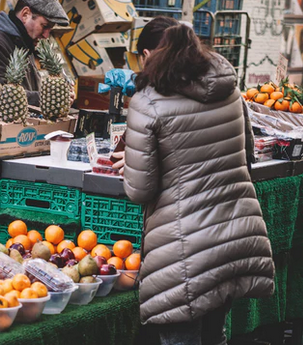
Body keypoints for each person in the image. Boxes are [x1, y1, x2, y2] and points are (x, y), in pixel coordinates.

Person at [113, 17, 275, 345]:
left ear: (149, 56)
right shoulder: (230, 91)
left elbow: (139, 189)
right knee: (216, 336)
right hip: (234, 236)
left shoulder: (148, 101)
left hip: (185, 247)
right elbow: (247, 155)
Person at [0, 0, 73, 108]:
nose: (46, 35)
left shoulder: (25, 45)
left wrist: (58, 97)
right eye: (44, 26)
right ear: (25, 14)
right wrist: (48, 98)